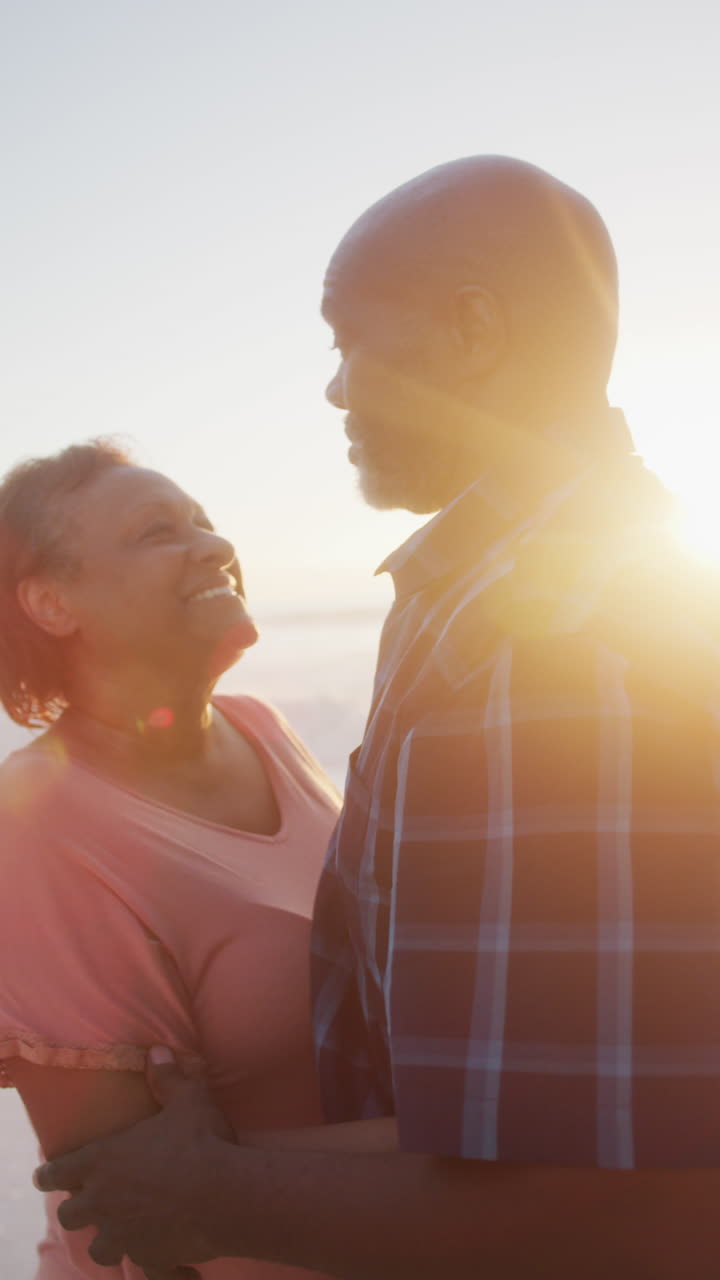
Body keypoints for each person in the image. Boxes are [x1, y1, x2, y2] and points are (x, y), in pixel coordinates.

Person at [34, 156, 720, 1278]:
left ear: (472, 328)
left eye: (349, 338)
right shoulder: (482, 601)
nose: (337, 388)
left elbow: (595, 1204)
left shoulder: (545, 643)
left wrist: (212, 1190)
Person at [0, 439, 357, 1279]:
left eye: (205, 520)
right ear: (53, 603)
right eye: (159, 532)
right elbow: (132, 1207)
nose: (214, 545)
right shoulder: (39, 825)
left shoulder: (262, 728)